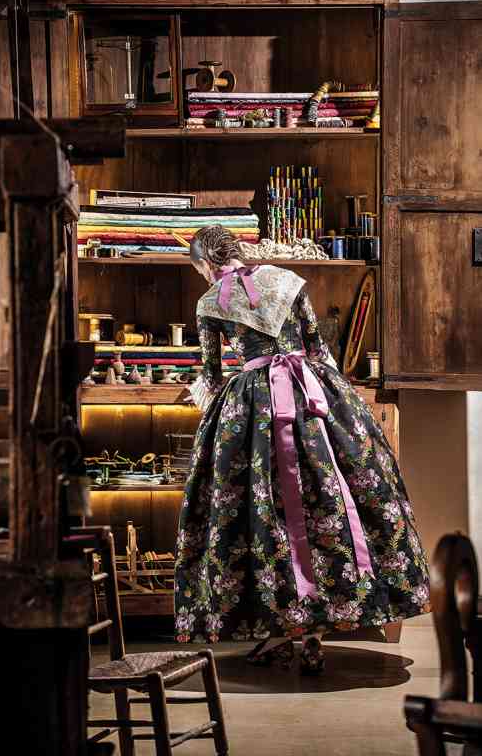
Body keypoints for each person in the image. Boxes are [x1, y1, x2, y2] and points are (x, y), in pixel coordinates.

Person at [174, 225, 430, 674]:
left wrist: (210, 412)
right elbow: (316, 346)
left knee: (263, 512)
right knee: (327, 501)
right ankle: (316, 630)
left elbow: (211, 376)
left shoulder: (210, 301)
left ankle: (282, 628)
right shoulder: (287, 279)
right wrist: (338, 402)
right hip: (313, 394)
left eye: (199, 268)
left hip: (253, 409)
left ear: (205, 263)